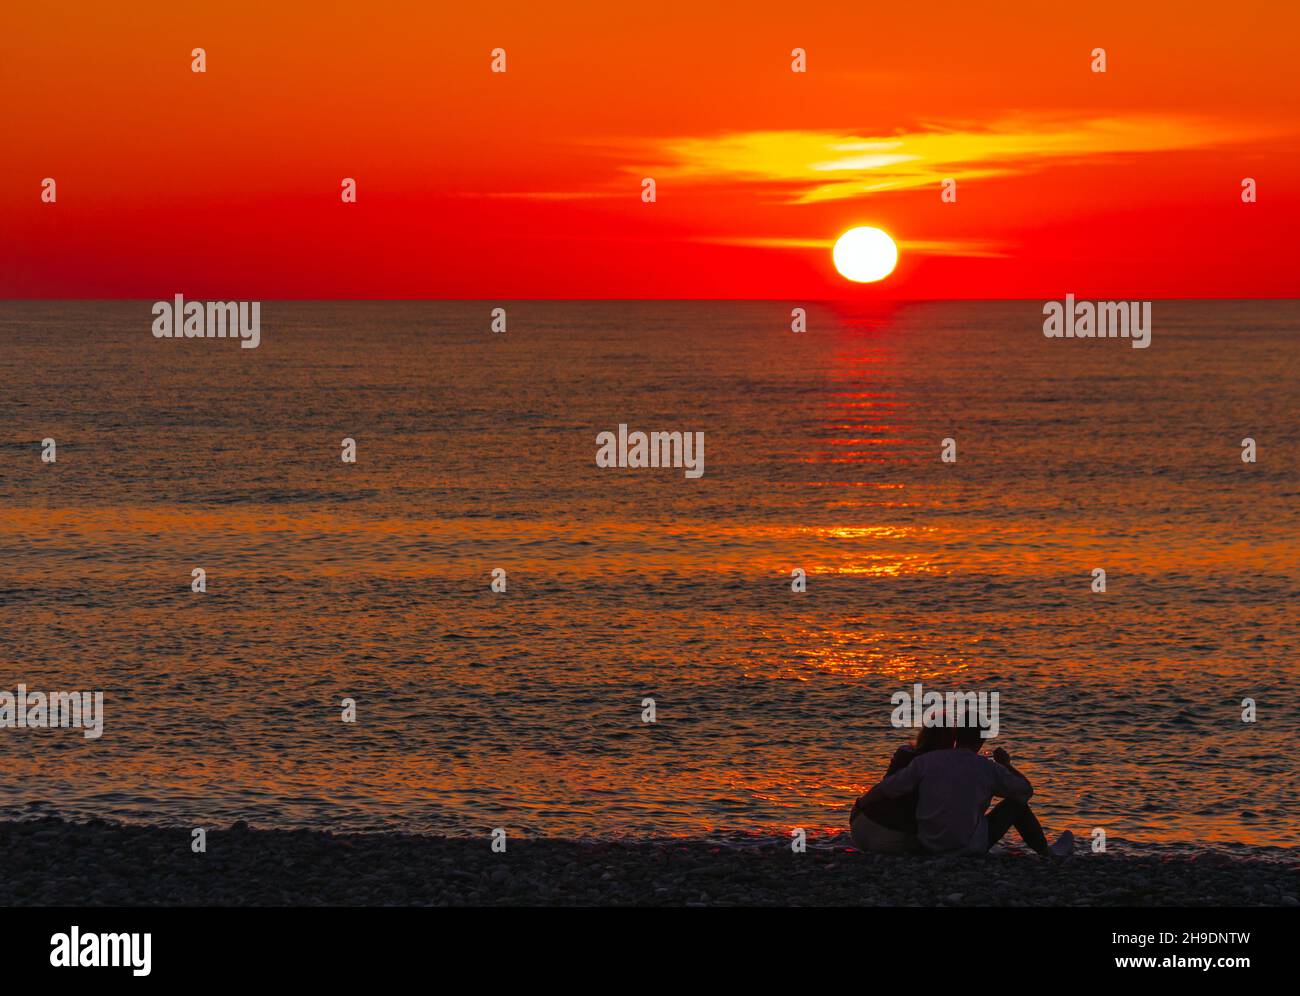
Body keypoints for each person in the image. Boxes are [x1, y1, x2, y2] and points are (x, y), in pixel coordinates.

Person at [858, 724, 1073, 856]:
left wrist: (863, 803)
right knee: (1015, 805)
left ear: (956, 736)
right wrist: (1006, 764)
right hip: (967, 846)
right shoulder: (987, 768)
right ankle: (1047, 853)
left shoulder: (926, 762)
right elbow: (1025, 792)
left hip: (928, 844)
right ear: (981, 739)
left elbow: (888, 788)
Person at [849, 725, 955, 854]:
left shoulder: (903, 753)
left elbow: (884, 788)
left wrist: (858, 807)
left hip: (861, 827)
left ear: (923, 735)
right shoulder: (936, 767)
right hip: (891, 835)